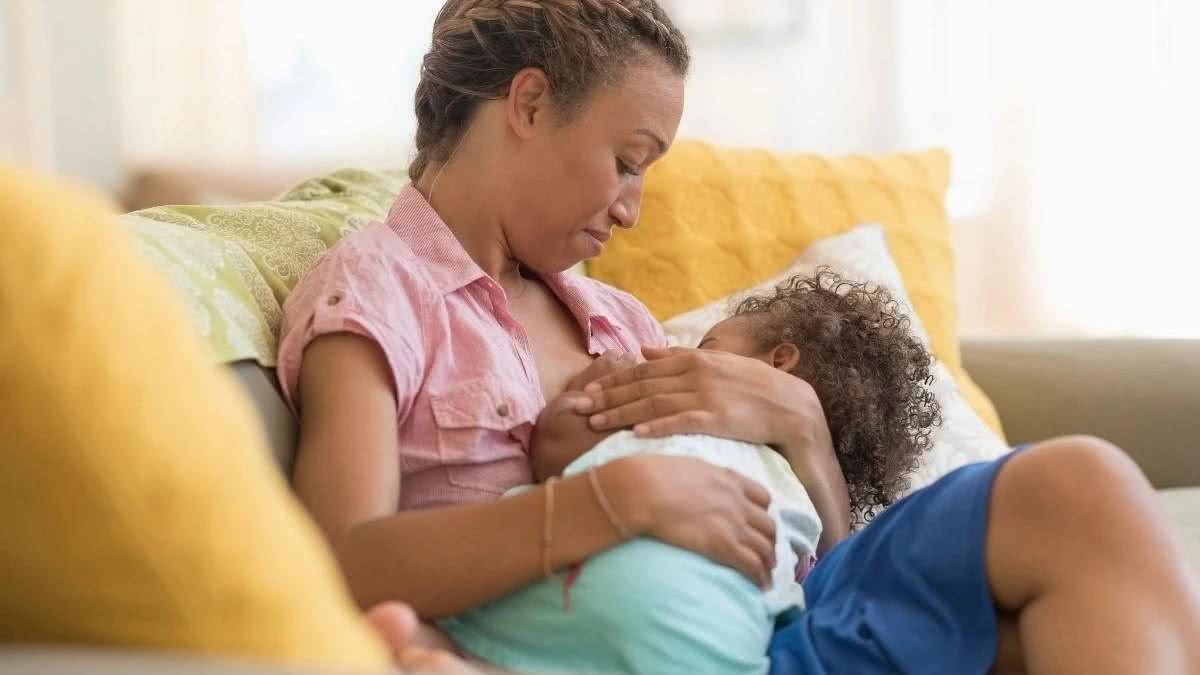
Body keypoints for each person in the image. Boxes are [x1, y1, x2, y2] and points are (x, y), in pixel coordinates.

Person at [280, 1, 1200, 673]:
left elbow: (808, 557)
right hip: (640, 640)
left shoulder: (616, 318)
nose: (632, 210)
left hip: (784, 620)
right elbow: (336, 559)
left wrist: (804, 432)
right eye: (627, 162)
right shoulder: (379, 291)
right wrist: (608, 503)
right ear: (527, 104)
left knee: (1083, 494)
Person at [435, 270, 942, 674]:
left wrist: (585, 393)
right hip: (715, 649)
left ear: (780, 362)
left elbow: (557, 448)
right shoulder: (803, 515)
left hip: (592, 600)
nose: (681, 358)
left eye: (708, 349)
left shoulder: (676, 415)